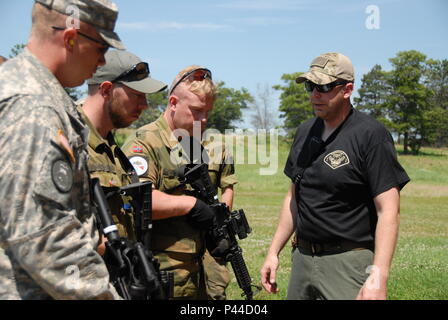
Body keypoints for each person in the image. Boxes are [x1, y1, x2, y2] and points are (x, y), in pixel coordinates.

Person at [0, 0, 125, 299]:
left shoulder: (24, 87)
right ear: (70, 38)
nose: (102, 62)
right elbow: (42, 236)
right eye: (100, 49)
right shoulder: (35, 107)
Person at [260, 52, 410, 300]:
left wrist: (378, 277)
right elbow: (293, 198)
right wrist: (273, 252)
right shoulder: (305, 132)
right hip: (303, 258)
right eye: (311, 86)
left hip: (348, 262)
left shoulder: (370, 134)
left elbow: (388, 211)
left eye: (324, 87)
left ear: (347, 90)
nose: (314, 94)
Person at [122, 65, 237, 300]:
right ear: (173, 103)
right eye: (196, 111)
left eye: (207, 112)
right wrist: (190, 206)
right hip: (163, 274)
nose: (203, 119)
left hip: (202, 272)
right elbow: (140, 201)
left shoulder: (199, 144)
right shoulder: (144, 144)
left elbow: (224, 188)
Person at [79, 49, 167, 247]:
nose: (144, 105)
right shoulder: (69, 142)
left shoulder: (112, 150)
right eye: (136, 95)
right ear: (107, 90)